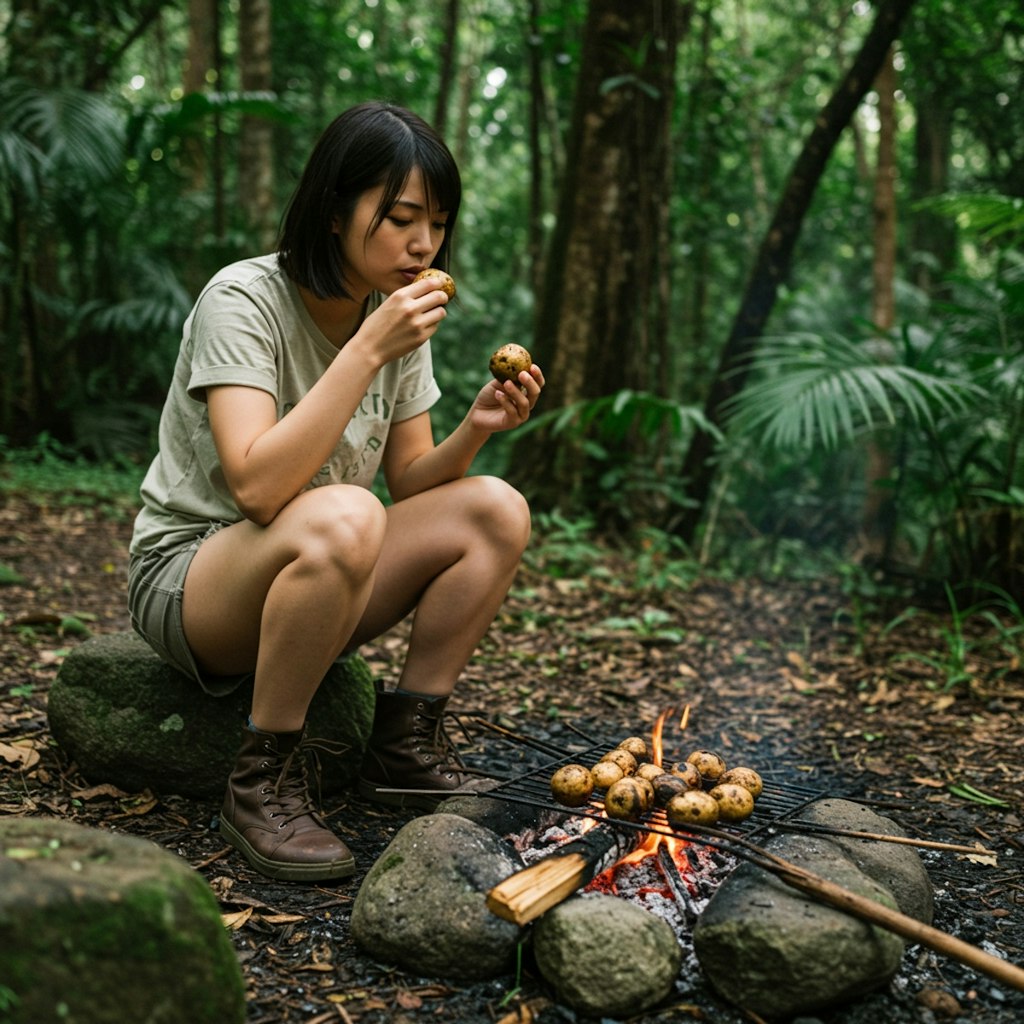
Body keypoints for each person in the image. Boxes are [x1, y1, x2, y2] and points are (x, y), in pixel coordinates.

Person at [127, 101, 544, 883]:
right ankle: (262, 782)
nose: (424, 244)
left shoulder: (395, 316)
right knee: (348, 515)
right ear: (332, 211)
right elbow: (255, 487)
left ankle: (403, 746)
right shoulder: (244, 300)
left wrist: (477, 427)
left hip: (322, 568)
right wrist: (366, 347)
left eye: (439, 222)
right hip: (193, 580)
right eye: (400, 218)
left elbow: (413, 481)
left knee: (495, 507)